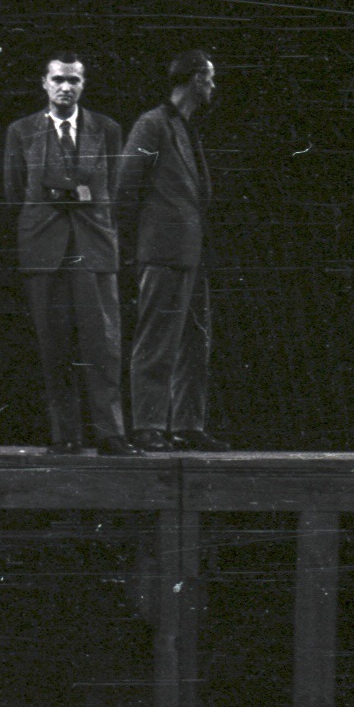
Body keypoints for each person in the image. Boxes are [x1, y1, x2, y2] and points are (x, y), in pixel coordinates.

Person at [3, 55, 141, 456]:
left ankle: (110, 432)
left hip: (92, 246)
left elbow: (114, 189)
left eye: (74, 80)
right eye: (58, 79)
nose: (66, 87)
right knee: (54, 343)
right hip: (43, 247)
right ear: (44, 83)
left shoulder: (107, 129)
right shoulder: (22, 131)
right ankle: (65, 432)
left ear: (84, 84)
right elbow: (14, 190)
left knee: (104, 343)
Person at [116, 49, 231, 452]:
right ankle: (147, 424)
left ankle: (186, 424)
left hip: (191, 252)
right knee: (157, 340)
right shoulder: (153, 124)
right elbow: (125, 188)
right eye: (210, 78)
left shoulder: (186, 128)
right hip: (162, 252)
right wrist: (138, 246)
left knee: (195, 343)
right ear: (196, 78)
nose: (214, 86)